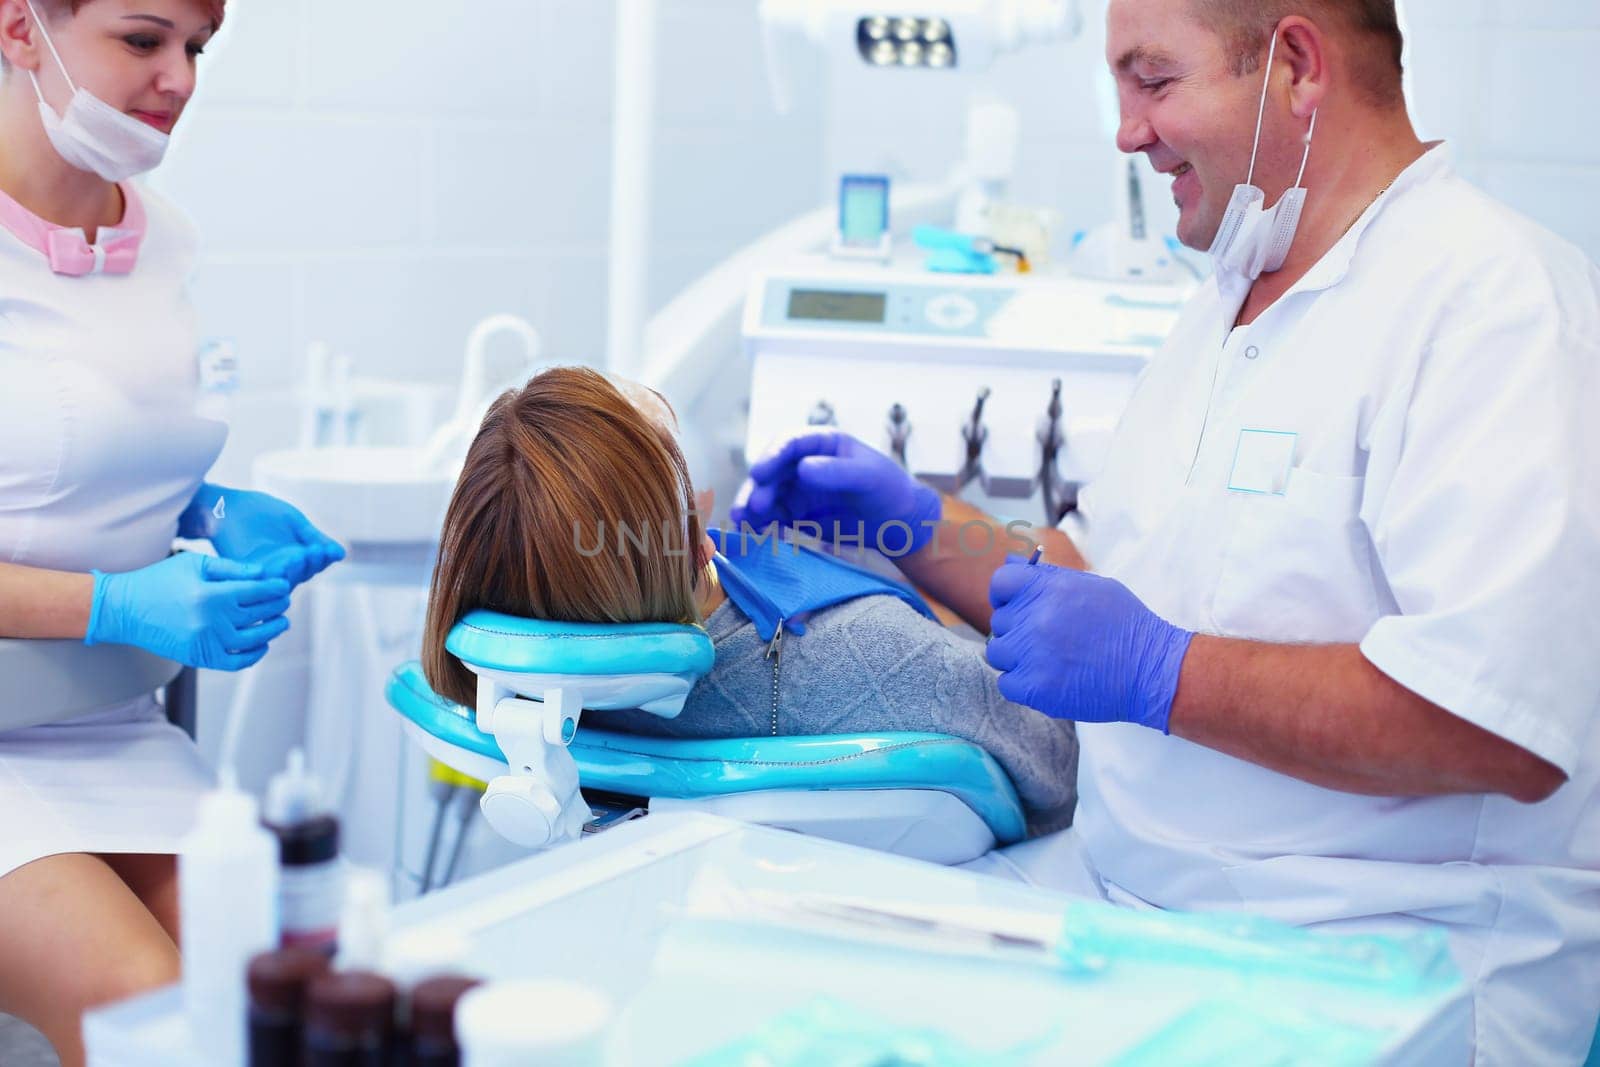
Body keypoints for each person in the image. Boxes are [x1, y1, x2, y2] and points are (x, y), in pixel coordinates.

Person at [731, 0, 1600, 1062]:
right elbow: (1098, 583)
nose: (1127, 132)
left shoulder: (1493, 308)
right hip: (1126, 910)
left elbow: (1498, 723)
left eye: (1153, 81)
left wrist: (1163, 672)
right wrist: (909, 524)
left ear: (1294, 65)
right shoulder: (1226, 305)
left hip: (1381, 968)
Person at [0, 1, 342, 1062]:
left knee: (272, 998)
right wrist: (115, 600)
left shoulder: (167, 239)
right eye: (143, 40)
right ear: (20, 29)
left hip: (109, 724)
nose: (180, 78)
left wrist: (209, 506)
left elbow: (78, 448)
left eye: (197, 48)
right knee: (147, 1012)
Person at [419, 366, 1079, 838]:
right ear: (694, 541)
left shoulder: (523, 688)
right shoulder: (881, 651)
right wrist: (923, 557)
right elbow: (1063, 755)